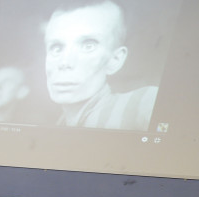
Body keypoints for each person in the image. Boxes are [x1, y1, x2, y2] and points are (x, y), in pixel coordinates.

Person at [43, 0, 158, 131]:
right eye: (56, 48)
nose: (65, 62)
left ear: (115, 60)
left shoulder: (144, 103)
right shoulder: (56, 126)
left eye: (88, 46)